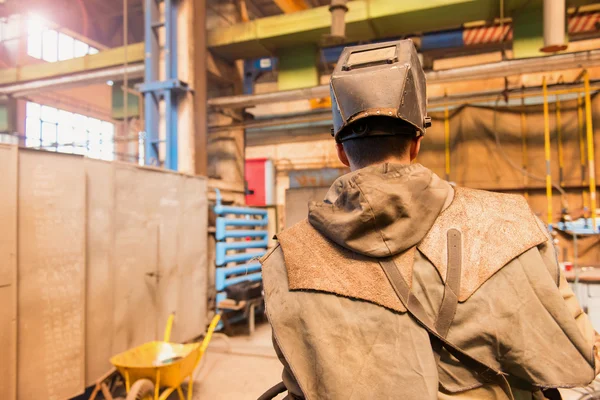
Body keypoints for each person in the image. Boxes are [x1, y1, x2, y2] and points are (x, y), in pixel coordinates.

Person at [259, 39, 600, 400]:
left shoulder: (287, 257)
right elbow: (577, 355)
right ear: (418, 140)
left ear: (341, 151)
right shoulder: (510, 223)